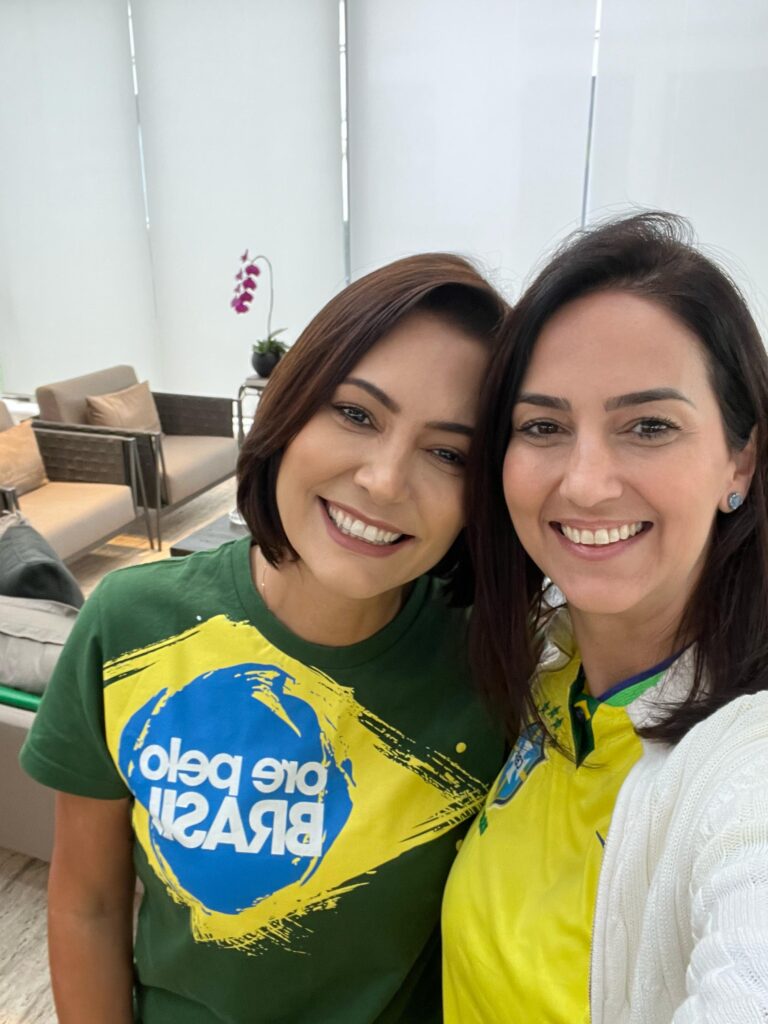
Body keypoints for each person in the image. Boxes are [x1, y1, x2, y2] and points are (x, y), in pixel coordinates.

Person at [21, 253, 508, 1024]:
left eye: (448, 453)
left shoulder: (496, 669)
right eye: (357, 414)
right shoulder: (130, 622)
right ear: (291, 407)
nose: (384, 480)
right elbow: (88, 901)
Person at [442, 213, 768, 1023]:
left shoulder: (744, 769)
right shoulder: (546, 666)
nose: (586, 484)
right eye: (543, 426)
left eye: (649, 426)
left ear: (741, 461)